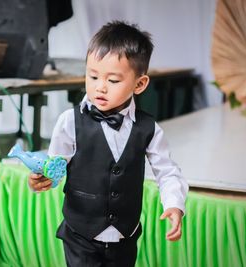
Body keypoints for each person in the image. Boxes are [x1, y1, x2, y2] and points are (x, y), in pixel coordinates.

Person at [28, 20, 188, 267]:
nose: (100, 87)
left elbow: (167, 172)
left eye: (113, 80)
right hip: (80, 233)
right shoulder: (70, 121)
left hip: (125, 236)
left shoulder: (149, 129)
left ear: (139, 84)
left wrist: (174, 205)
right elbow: (55, 166)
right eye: (92, 76)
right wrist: (43, 178)